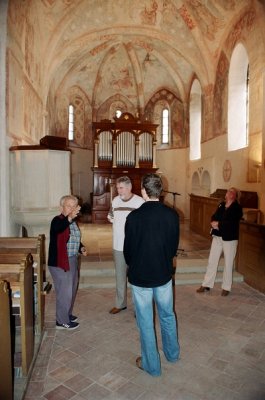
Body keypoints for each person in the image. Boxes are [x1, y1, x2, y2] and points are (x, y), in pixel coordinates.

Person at [124, 173, 180, 376]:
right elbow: (173, 248)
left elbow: (127, 251)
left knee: (146, 321)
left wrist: (135, 264)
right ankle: (172, 354)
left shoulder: (134, 217)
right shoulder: (172, 215)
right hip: (163, 275)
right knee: (167, 315)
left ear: (143, 191)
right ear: (160, 191)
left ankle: (152, 366)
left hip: (141, 278)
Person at [48, 195, 87, 330]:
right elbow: (59, 229)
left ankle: (67, 314)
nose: (71, 209)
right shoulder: (57, 221)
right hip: (60, 261)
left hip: (72, 259)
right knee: (64, 292)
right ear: (61, 207)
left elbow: (73, 237)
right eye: (68, 206)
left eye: (74, 206)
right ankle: (61, 321)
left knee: (71, 289)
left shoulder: (72, 222)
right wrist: (70, 217)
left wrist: (80, 247)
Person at [196, 187, 243, 296]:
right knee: (212, 261)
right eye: (228, 191)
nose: (229, 193)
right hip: (218, 236)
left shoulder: (237, 208)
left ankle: (226, 287)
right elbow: (215, 216)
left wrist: (219, 224)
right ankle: (206, 284)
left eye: (232, 192)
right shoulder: (221, 205)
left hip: (230, 238)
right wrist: (213, 222)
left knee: (228, 263)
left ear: (235, 196)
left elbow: (231, 222)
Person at [108, 176, 144, 314]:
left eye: (121, 187)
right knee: (120, 276)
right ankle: (120, 303)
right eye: (117, 188)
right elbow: (111, 217)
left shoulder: (139, 202)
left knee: (136, 277)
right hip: (118, 245)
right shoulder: (115, 201)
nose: (118, 190)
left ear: (129, 188)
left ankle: (138, 307)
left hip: (134, 247)